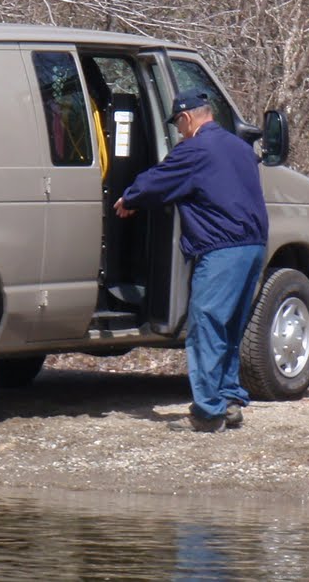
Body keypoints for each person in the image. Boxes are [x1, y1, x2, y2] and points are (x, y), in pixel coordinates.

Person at [114, 91, 268, 433]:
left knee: (206, 326)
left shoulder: (195, 149)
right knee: (229, 327)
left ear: (186, 119)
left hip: (222, 250)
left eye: (178, 126)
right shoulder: (241, 149)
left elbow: (159, 179)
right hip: (254, 247)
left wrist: (130, 197)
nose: (179, 132)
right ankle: (228, 401)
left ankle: (207, 412)